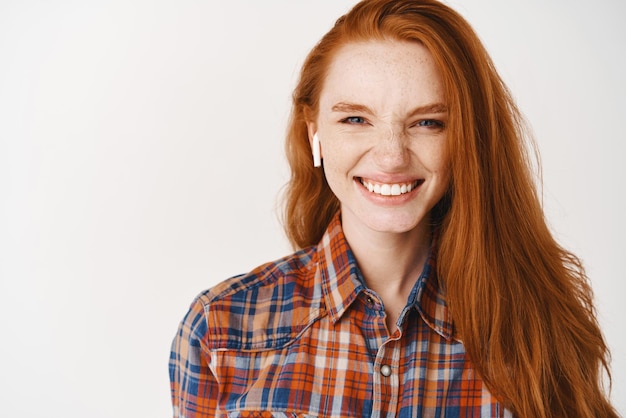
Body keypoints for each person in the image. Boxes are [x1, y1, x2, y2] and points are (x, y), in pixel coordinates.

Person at [169, 0, 619, 416]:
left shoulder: (538, 328)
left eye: (427, 122)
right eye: (355, 119)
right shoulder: (221, 328)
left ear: (465, 138)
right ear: (315, 135)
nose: (391, 156)